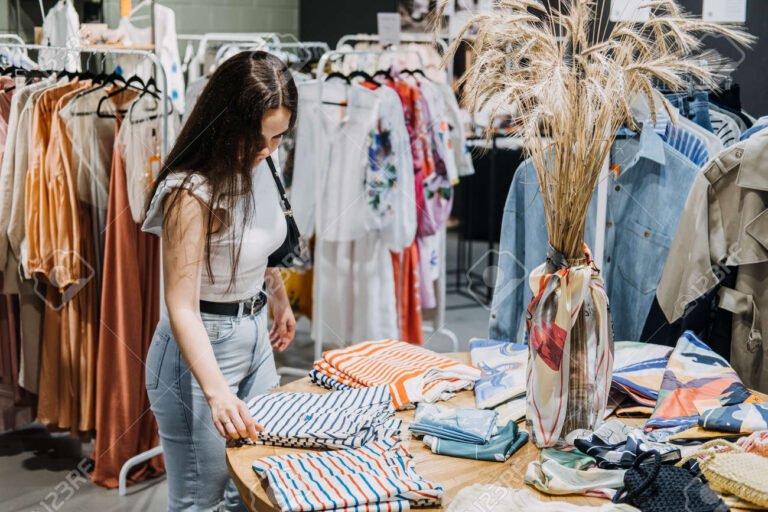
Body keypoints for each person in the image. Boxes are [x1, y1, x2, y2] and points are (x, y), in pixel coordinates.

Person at [142, 51, 298, 511]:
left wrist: (278, 299)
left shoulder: (261, 163)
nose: (268, 150)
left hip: (256, 341)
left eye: (279, 137)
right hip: (201, 347)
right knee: (200, 500)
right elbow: (182, 305)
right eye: (259, 138)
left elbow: (258, 243)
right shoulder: (189, 191)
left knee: (250, 486)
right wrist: (215, 390)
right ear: (226, 122)